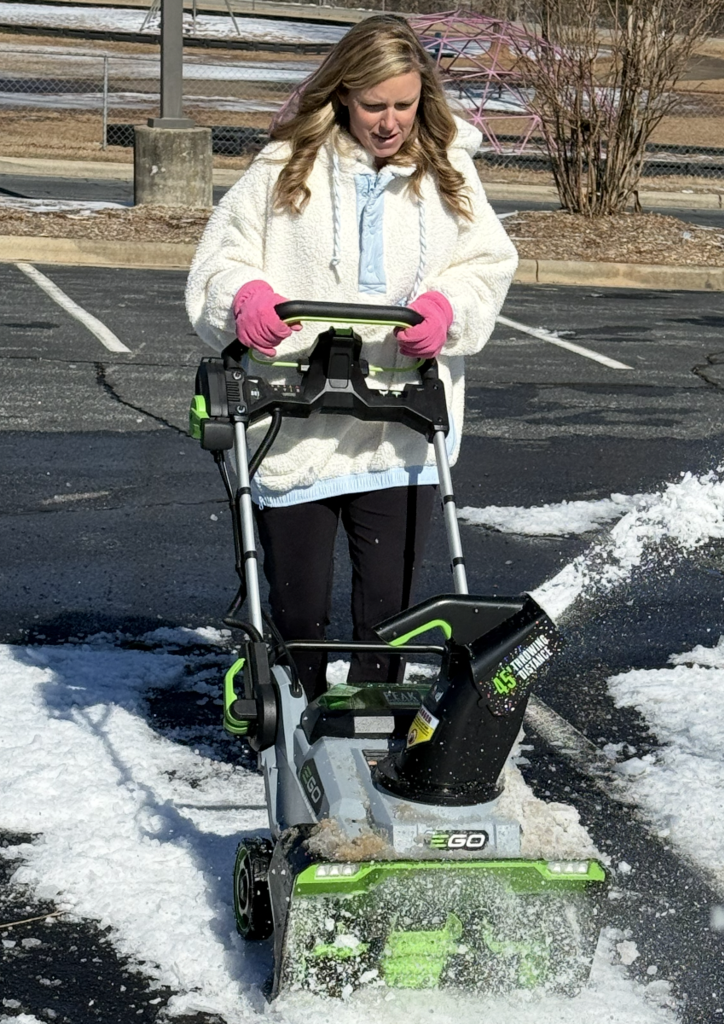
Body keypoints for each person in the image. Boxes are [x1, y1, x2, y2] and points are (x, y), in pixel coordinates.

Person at [186, 14, 518, 701]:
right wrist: (243, 297)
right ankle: (292, 722)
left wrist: (448, 309)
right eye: (374, 105)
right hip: (293, 422)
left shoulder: (447, 174)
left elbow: (486, 262)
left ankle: (371, 728)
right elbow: (220, 259)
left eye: (404, 104)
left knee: (388, 616)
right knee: (298, 611)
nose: (390, 121)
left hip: (399, 430)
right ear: (341, 95)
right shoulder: (284, 169)